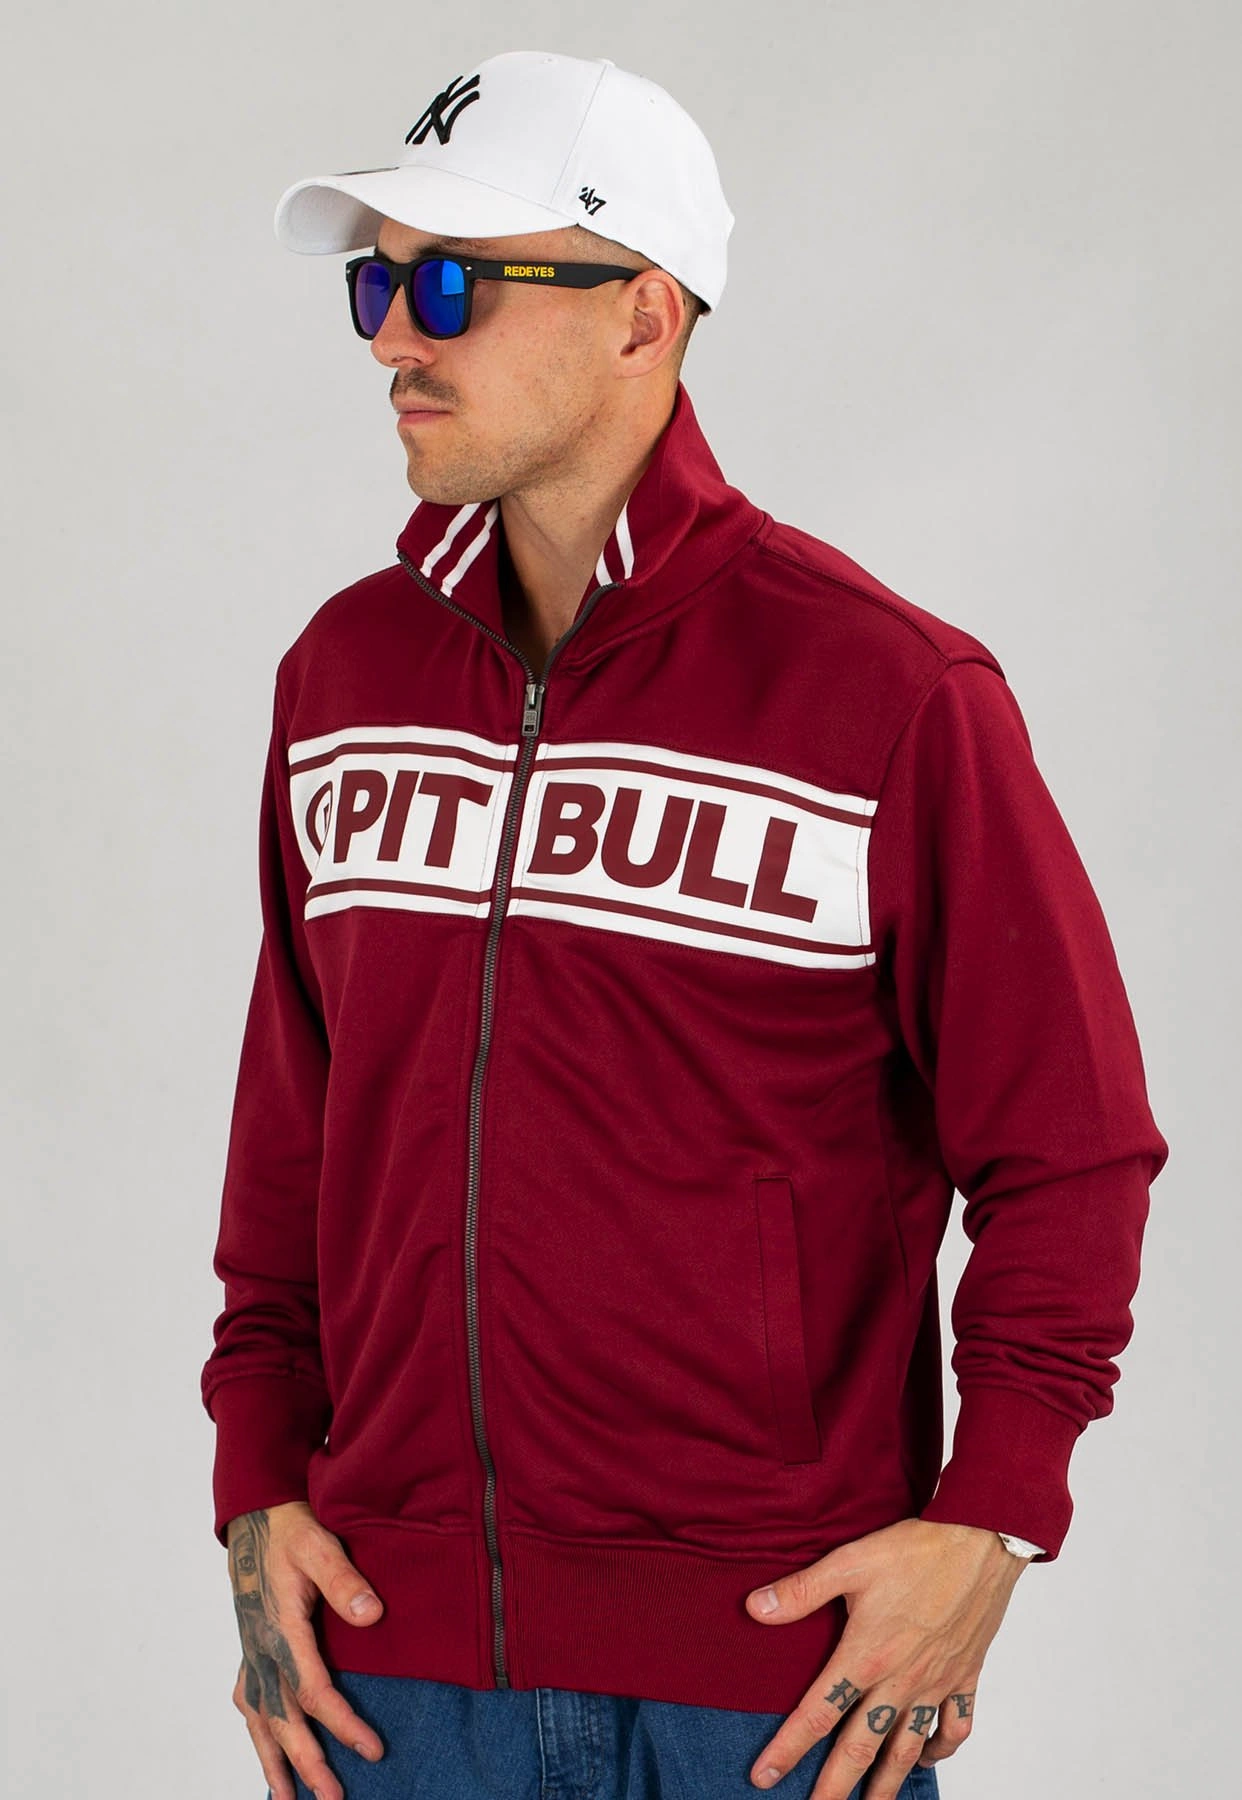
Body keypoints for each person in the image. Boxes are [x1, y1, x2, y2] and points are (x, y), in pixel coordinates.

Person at [200, 47, 1169, 1800]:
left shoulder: (886, 693)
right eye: (373, 283)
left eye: (449, 286)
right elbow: (295, 1131)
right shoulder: (344, 680)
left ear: (642, 315)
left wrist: (993, 1520)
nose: (391, 337)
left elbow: (1069, 1150)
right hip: (388, 1676)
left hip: (775, 1686)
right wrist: (256, 1485)